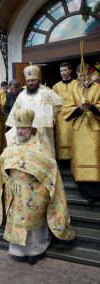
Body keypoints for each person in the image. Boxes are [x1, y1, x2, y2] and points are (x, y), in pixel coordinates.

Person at [0, 108, 75, 265]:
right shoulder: (12, 144)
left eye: (23, 128)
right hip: (15, 191)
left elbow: (50, 164)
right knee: (17, 221)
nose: (20, 131)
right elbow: (4, 159)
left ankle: (34, 251)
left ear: (30, 128)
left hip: (34, 191)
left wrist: (33, 168)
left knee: (32, 224)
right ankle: (18, 250)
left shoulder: (40, 145)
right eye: (18, 128)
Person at [61, 62, 100, 203]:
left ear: (90, 74)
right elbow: (66, 109)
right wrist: (79, 108)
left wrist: (93, 107)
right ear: (77, 76)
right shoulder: (74, 91)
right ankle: (84, 191)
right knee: (80, 158)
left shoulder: (98, 88)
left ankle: (97, 193)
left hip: (95, 130)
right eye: (80, 76)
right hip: (79, 131)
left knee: (95, 158)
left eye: (85, 75)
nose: (83, 78)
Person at [6, 64, 63, 157]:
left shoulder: (46, 92)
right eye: (28, 81)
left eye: (33, 80)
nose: (30, 83)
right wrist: (15, 127)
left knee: (45, 152)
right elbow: (14, 112)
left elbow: (59, 102)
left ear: (38, 80)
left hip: (43, 128)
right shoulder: (22, 95)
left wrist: (52, 115)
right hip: (26, 130)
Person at [52, 62, 79, 168]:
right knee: (62, 137)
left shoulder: (77, 84)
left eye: (65, 70)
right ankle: (63, 160)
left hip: (74, 114)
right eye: (61, 71)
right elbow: (53, 104)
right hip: (61, 116)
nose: (63, 72)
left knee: (74, 136)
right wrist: (53, 116)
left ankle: (74, 157)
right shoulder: (56, 86)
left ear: (70, 71)